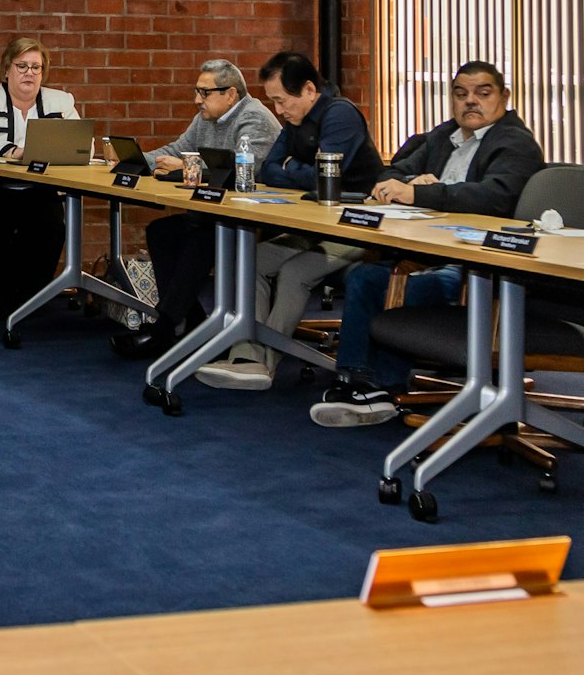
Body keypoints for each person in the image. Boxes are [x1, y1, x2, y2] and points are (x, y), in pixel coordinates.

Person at [308, 60, 544, 426]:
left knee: (379, 283)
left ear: (505, 97)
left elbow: (493, 197)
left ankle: (377, 385)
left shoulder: (515, 143)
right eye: (461, 94)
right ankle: (358, 380)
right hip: (426, 252)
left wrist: (423, 193)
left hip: (476, 271)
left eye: (483, 93)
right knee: (366, 275)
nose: (471, 102)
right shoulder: (444, 136)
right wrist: (410, 181)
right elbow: (391, 171)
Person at [191, 53, 382, 390]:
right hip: (311, 223)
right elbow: (267, 170)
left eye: (281, 100)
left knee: (294, 272)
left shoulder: (340, 114)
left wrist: (292, 169)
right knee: (250, 260)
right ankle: (247, 356)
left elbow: (322, 179)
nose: (278, 111)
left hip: (355, 225)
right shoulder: (296, 121)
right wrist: (297, 170)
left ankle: (264, 360)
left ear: (309, 89)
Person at [108, 59, 280, 360]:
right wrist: (134, 160)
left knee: (198, 238)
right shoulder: (206, 117)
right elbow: (176, 151)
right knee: (161, 231)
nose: (196, 99)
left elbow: (246, 167)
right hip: (216, 214)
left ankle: (165, 328)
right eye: (196, 91)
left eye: (204, 92)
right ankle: (194, 325)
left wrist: (188, 165)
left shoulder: (255, 119)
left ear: (231, 94)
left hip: (250, 219)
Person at [0, 36, 81, 322]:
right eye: (22, 65)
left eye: (36, 67)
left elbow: (83, 145)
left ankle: (27, 302)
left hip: (37, 191)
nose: (29, 73)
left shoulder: (61, 101)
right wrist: (12, 152)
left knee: (50, 228)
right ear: (7, 70)